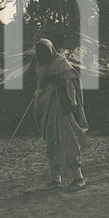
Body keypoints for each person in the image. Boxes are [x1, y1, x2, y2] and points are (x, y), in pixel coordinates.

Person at [34, 39, 88, 190]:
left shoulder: (61, 64)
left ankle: (78, 178)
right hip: (48, 110)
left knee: (69, 142)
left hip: (62, 110)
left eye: (44, 51)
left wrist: (71, 102)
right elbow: (40, 86)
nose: (42, 54)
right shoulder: (40, 66)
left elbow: (71, 81)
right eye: (39, 52)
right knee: (52, 144)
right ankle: (55, 178)